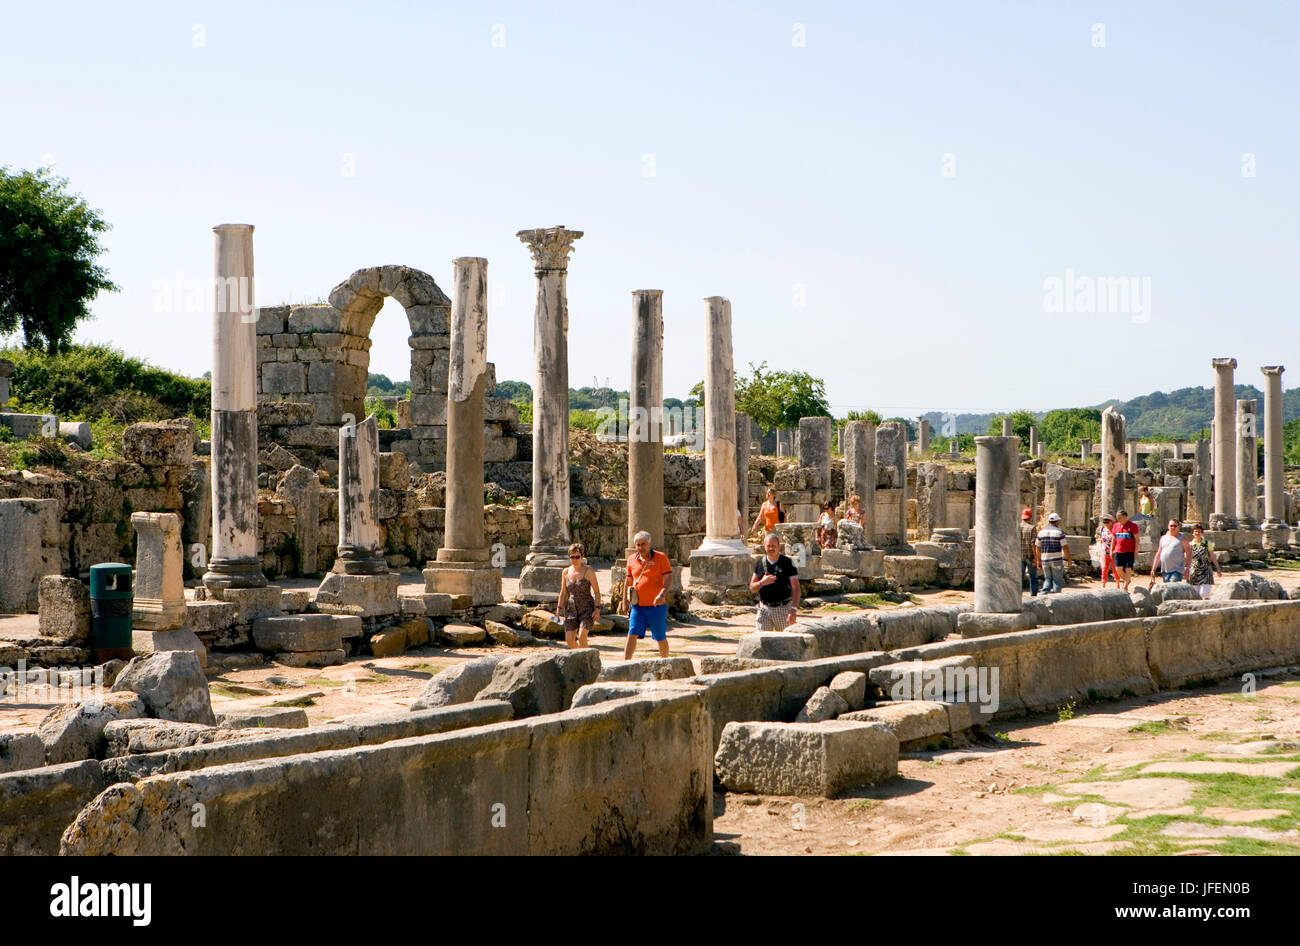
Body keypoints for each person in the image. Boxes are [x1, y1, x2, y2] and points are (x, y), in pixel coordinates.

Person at [622, 530, 672, 659]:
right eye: (638, 545)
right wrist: (624, 602)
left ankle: (665, 661)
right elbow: (628, 582)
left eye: (643, 544)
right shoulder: (631, 559)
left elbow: (668, 579)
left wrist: (662, 594)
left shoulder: (661, 557)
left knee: (660, 636)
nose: (640, 548)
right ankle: (626, 663)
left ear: (649, 544)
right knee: (632, 633)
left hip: (656, 606)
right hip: (637, 606)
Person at [750, 532, 800, 631]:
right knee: (762, 640)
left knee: (785, 641)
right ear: (764, 547)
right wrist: (762, 583)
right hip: (764, 608)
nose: (771, 548)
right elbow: (752, 587)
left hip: (782, 608)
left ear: (779, 546)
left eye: (773, 546)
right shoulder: (760, 563)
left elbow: (796, 587)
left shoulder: (787, 563)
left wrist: (793, 610)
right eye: (768, 546)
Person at [555, 542, 599, 649]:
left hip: (586, 607)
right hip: (571, 608)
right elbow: (563, 592)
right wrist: (558, 609)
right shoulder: (565, 572)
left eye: (577, 557)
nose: (574, 559)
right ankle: (579, 656)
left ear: (582, 556)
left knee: (582, 637)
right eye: (572, 557)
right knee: (569, 639)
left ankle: (587, 661)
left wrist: (597, 609)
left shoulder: (589, 571)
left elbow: (597, 592)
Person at [1036, 512, 1072, 594]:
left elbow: (1037, 548)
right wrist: (1069, 559)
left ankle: (1043, 594)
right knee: (1057, 581)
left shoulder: (1041, 532)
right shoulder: (1059, 532)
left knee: (1047, 579)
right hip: (1056, 560)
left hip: (1045, 560)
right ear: (1057, 521)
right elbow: (1065, 547)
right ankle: (1056, 598)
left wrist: (1039, 560)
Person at [1151, 519, 1193, 583]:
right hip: (1165, 571)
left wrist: (1187, 568)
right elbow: (1159, 554)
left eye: (1175, 526)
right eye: (1171, 525)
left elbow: (1189, 553)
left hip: (1177, 571)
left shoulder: (1182, 539)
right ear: (1168, 526)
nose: (1173, 527)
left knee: (1172, 589)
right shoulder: (1163, 538)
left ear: (1178, 527)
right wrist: (1153, 569)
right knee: (1167, 591)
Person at [1187, 523, 1222, 598]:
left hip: (1206, 571)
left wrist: (1218, 568)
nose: (1197, 533)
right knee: (1195, 594)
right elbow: (1188, 558)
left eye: (1199, 531)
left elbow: (1212, 556)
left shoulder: (1207, 543)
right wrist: (1186, 569)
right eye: (1195, 531)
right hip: (1194, 571)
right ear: (1193, 533)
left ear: (1202, 533)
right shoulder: (1190, 544)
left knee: (1204, 593)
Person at [1111, 509, 1139, 591]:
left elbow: (1137, 539)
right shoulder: (1116, 526)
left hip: (1129, 551)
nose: (1118, 519)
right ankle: (1127, 580)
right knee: (1118, 569)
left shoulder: (1133, 526)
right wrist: (1111, 550)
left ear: (1125, 517)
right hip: (1118, 551)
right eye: (1117, 518)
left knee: (1128, 569)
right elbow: (1113, 539)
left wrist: (1136, 550)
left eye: (1120, 517)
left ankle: (1125, 586)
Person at [1019, 508, 1040, 597]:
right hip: (1030, 556)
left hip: (1019, 555)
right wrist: (1036, 558)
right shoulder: (1032, 528)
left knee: (1019, 577)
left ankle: (1017, 595)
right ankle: (1033, 595)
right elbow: (1033, 544)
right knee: (1033, 577)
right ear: (1030, 517)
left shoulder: (1017, 527)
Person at [1097, 513, 1117, 588]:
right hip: (1104, 552)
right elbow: (1101, 540)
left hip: (1114, 553)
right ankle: (1103, 585)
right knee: (1104, 568)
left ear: (1111, 522)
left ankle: (1118, 585)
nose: (1106, 524)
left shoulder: (1115, 530)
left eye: (1107, 522)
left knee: (1115, 569)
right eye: (1104, 522)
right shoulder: (1102, 529)